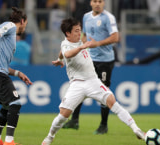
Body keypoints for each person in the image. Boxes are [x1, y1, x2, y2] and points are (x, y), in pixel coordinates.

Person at [41, 17, 145, 145]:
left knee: (113, 102)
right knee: (63, 116)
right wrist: (80, 48)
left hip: (93, 81)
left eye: (80, 30)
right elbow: (67, 53)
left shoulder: (79, 41)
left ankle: (137, 130)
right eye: (76, 31)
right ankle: (50, 136)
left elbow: (63, 55)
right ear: (68, 33)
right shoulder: (66, 44)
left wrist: (59, 59)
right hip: (77, 84)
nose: (80, 34)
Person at [62, 0, 119, 135]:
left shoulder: (108, 18)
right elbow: (84, 36)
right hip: (89, 60)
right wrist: (81, 48)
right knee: (80, 87)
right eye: (95, 1)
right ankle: (74, 121)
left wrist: (98, 44)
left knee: (104, 91)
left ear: (103, 3)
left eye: (100, 1)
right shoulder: (86, 17)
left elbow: (116, 37)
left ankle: (103, 125)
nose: (97, 4)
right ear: (91, 3)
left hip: (105, 61)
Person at [0, 7, 32, 145]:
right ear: (22, 21)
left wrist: (18, 73)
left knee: (6, 106)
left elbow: (2, 65)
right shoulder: (10, 26)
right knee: (15, 103)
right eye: (26, 24)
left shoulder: (9, 37)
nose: (25, 27)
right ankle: (9, 141)